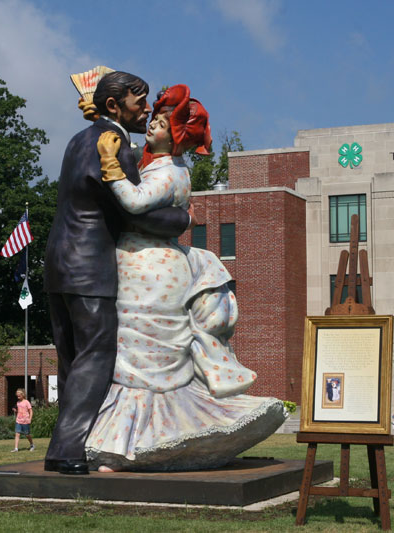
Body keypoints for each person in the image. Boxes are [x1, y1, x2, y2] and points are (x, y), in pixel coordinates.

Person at [84, 85, 286, 472]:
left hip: (152, 270)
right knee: (131, 356)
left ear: (175, 136)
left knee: (145, 358)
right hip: (137, 265)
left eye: (160, 123)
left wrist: (110, 167)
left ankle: (140, 444)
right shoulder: (155, 166)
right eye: (154, 120)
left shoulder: (172, 172)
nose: (152, 125)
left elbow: (135, 203)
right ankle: (127, 445)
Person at [43, 71, 192, 475]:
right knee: (96, 356)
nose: (146, 110)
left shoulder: (79, 139)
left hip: (57, 261)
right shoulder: (116, 146)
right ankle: (68, 450)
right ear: (114, 107)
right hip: (89, 266)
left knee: (72, 359)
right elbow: (132, 210)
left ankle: (69, 444)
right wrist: (180, 217)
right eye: (138, 102)